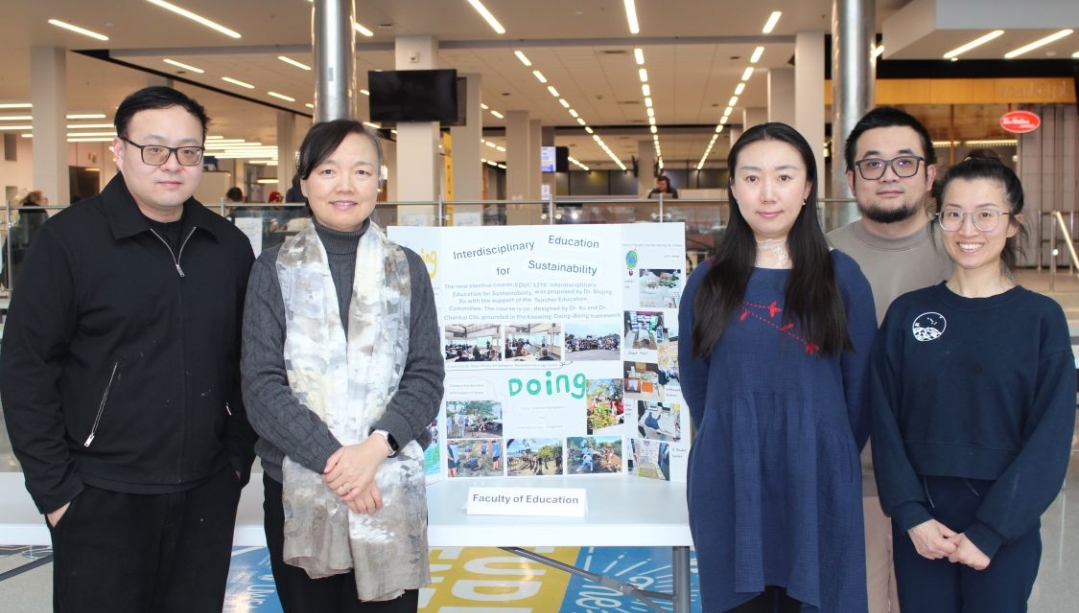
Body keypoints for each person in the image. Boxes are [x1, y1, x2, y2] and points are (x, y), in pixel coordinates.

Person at [0, 85, 257, 613]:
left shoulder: (227, 248)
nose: (172, 164)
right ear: (119, 151)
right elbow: (26, 369)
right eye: (154, 148)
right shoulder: (68, 242)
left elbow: (245, 363)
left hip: (206, 490)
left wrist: (235, 463)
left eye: (189, 151)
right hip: (98, 495)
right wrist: (58, 494)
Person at [241, 118, 444, 612]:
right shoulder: (274, 269)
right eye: (329, 171)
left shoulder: (407, 268)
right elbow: (261, 386)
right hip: (298, 488)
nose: (345, 185)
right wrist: (342, 466)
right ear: (304, 181)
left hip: (388, 481)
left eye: (361, 171)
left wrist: (373, 451)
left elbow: (425, 375)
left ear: (379, 181)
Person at [678, 122, 876, 613]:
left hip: (817, 475)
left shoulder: (841, 276)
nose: (768, 194)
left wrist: (817, 443)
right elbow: (697, 383)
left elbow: (860, 392)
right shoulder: (708, 280)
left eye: (784, 177)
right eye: (752, 178)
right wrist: (742, 433)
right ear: (732, 188)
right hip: (730, 472)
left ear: (808, 188)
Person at [869, 154, 1075, 613]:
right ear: (938, 220)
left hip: (1007, 527)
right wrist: (911, 516)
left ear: (1013, 225)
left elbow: (1051, 438)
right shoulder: (908, 313)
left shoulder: (1040, 320)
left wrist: (991, 532)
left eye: (986, 215)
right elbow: (883, 420)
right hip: (923, 525)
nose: (968, 229)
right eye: (954, 214)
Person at [827, 106, 953, 613]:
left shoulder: (964, 249)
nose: (889, 176)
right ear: (852, 178)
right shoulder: (818, 258)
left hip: (941, 483)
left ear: (929, 174)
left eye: (904, 162)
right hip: (849, 482)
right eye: (872, 164)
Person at [1, 190, 50, 288]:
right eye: (45, 199)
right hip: (35, 274)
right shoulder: (42, 223)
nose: (47, 202)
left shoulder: (19, 226)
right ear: (38, 202)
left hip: (16, 274)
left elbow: (5, 253)